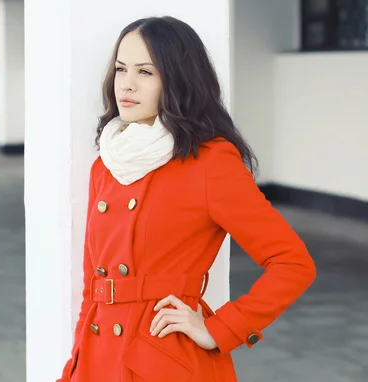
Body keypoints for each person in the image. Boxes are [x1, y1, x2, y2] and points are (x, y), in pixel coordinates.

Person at [56, 16, 316, 382]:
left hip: (160, 358)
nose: (126, 85)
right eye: (121, 69)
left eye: (146, 72)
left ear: (177, 78)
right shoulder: (107, 163)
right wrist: (74, 369)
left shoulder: (210, 162)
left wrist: (222, 328)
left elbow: (293, 263)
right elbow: (93, 285)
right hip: (99, 359)